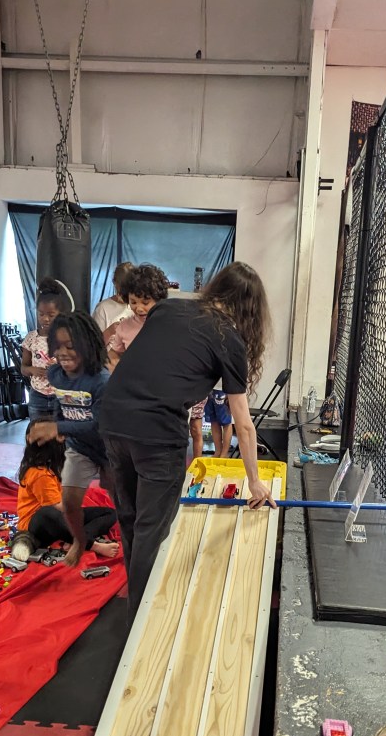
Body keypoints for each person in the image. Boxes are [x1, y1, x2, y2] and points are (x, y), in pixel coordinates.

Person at [99, 261, 277, 624]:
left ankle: (135, 605)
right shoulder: (229, 338)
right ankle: (141, 623)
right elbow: (243, 424)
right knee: (151, 529)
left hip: (112, 417)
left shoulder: (168, 308)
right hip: (156, 430)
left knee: (130, 519)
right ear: (249, 308)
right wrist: (255, 481)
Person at [29, 311, 112, 568]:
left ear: (88, 346)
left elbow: (99, 426)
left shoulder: (101, 381)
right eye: (58, 346)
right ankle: (79, 539)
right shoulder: (56, 374)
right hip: (80, 448)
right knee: (70, 503)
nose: (63, 352)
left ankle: (133, 539)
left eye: (71, 346)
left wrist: (58, 426)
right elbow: (59, 398)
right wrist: (57, 421)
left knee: (122, 502)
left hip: (110, 449)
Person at [11, 424, 118, 561]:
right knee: (49, 513)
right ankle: (91, 545)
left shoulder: (52, 467)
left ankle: (74, 539)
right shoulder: (40, 473)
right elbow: (58, 508)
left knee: (109, 513)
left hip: (59, 519)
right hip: (38, 524)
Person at [21, 278, 69, 420]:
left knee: (60, 430)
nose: (45, 319)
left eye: (51, 315)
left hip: (60, 394)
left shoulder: (66, 337)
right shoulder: (31, 338)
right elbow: (23, 368)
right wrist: (32, 370)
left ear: (60, 313)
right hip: (37, 396)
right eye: (41, 314)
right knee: (37, 430)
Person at [106, 263, 170, 370]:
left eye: (145, 303)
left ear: (159, 299)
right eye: (133, 302)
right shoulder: (124, 326)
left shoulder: (169, 324)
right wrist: (114, 367)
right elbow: (114, 353)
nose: (139, 308)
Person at [93, 262, 135, 334]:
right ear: (115, 283)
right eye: (123, 289)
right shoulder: (102, 308)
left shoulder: (138, 308)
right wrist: (109, 331)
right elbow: (94, 340)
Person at [205, 389, 233, 458]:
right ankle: (217, 451)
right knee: (213, 421)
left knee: (226, 422)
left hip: (224, 389)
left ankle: (224, 453)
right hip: (209, 388)